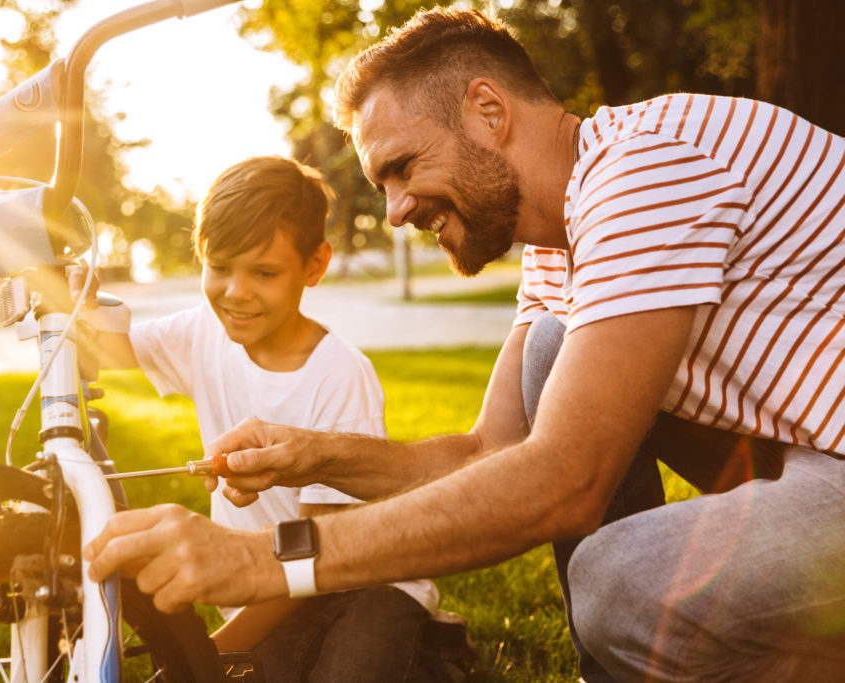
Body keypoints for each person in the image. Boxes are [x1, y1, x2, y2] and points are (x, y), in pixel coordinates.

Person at [84, 8, 845, 681]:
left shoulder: (645, 169)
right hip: (817, 456)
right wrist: (314, 453)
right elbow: (491, 454)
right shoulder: (560, 243)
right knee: (551, 351)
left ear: (487, 109)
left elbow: (563, 479)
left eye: (402, 168)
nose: (393, 211)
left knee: (620, 583)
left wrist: (260, 559)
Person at [80, 156, 440, 682]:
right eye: (219, 266)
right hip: (269, 593)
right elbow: (107, 347)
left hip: (360, 584)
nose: (236, 292)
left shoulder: (340, 374)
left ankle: (432, 654)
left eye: (264, 273)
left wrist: (197, 659)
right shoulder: (203, 332)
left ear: (314, 266)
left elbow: (320, 553)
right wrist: (68, 299)